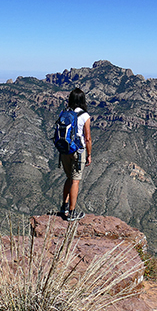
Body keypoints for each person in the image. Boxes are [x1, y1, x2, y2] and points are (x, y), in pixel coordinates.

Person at [59, 88, 92, 221]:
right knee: (75, 180)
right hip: (78, 151)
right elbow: (88, 138)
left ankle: (64, 206)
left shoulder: (66, 113)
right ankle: (72, 212)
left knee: (68, 177)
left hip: (65, 150)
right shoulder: (85, 116)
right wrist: (89, 154)